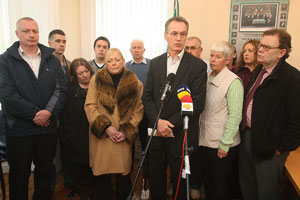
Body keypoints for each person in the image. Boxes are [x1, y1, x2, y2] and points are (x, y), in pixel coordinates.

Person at [0, 17, 67, 199]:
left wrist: (48, 113)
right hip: (19, 130)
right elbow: (6, 94)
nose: (31, 35)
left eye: (35, 31)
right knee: (19, 175)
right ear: (17, 34)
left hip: (47, 129)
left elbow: (60, 89)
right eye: (26, 31)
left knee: (45, 172)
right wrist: (36, 115)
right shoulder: (5, 60)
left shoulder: (51, 60)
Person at [143, 16, 207, 200]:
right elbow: (147, 98)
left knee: (180, 184)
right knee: (156, 179)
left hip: (180, 136)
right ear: (166, 36)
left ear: (186, 36)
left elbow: (197, 103)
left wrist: (169, 124)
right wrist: (158, 122)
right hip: (156, 134)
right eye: (174, 34)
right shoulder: (155, 63)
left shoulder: (197, 66)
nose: (178, 38)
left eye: (183, 34)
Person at [239, 28, 300, 200]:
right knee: (248, 188)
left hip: (271, 148)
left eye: (267, 47)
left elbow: (297, 121)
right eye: (261, 45)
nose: (261, 50)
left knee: (266, 193)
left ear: (282, 52)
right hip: (248, 137)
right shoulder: (259, 71)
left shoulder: (292, 78)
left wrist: (280, 148)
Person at [85, 48, 144, 200]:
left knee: (123, 175)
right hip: (103, 136)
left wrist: (125, 131)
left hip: (122, 136)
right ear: (105, 63)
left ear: (123, 61)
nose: (113, 63)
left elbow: (138, 110)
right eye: (109, 60)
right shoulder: (96, 79)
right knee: (101, 176)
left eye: (117, 59)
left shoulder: (135, 82)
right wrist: (106, 128)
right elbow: (90, 106)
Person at [195, 41, 244, 200]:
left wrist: (225, 143)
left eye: (218, 57)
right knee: (208, 185)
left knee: (220, 188)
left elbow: (235, 116)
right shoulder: (207, 77)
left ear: (228, 60)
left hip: (222, 145)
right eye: (211, 55)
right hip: (205, 141)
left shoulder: (233, 82)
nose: (213, 59)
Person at [59, 58, 95, 200]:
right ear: (74, 74)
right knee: (81, 167)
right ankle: (84, 193)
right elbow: (64, 115)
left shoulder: (97, 86)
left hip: (96, 133)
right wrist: (70, 134)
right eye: (80, 73)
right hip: (77, 135)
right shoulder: (69, 90)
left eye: (86, 71)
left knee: (96, 166)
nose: (85, 75)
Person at [48, 28, 74, 196]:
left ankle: (69, 182)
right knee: (48, 153)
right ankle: (49, 186)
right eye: (58, 41)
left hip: (67, 116)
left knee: (68, 150)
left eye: (64, 41)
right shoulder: (45, 64)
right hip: (50, 115)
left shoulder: (70, 64)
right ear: (50, 43)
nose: (61, 44)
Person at [125, 39, 150, 199]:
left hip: (148, 114)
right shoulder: (126, 66)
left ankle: (147, 187)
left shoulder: (152, 65)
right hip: (131, 115)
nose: (136, 50)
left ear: (144, 49)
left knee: (148, 152)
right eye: (133, 48)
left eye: (139, 47)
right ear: (130, 50)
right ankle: (133, 188)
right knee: (131, 152)